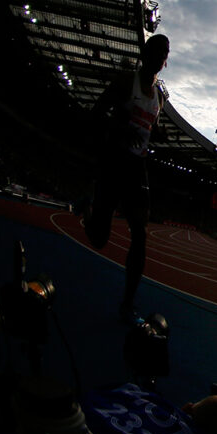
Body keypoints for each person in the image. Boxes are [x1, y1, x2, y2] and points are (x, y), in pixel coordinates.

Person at [84, 34, 168, 322]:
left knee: (140, 234)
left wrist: (156, 134)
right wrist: (119, 127)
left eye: (164, 53)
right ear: (145, 54)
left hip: (137, 168)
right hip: (114, 161)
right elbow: (95, 114)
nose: (159, 57)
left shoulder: (159, 97)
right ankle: (89, 211)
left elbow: (151, 129)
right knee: (99, 238)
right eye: (156, 51)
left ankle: (128, 303)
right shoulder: (124, 81)